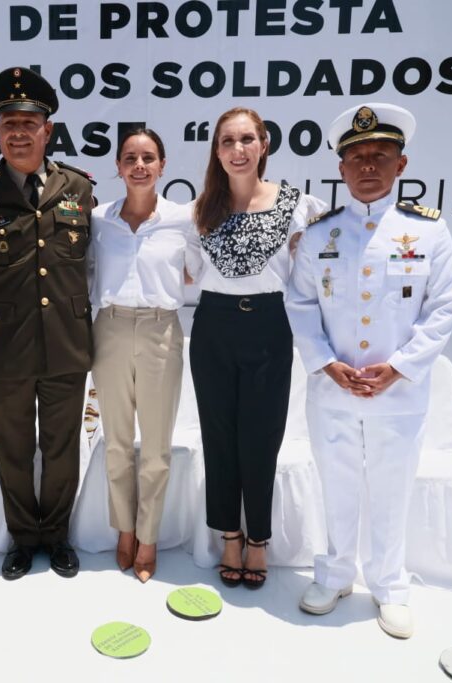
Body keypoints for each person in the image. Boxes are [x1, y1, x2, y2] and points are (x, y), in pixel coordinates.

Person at [286, 103, 452, 638]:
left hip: (397, 392)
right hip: (333, 387)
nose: (367, 166)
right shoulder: (321, 234)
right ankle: (336, 574)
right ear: (340, 169)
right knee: (336, 481)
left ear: (401, 164)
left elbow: (445, 306)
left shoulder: (427, 232)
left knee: (391, 486)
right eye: (356, 157)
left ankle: (389, 586)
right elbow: (300, 303)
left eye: (379, 156)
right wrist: (327, 365)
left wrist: (400, 367)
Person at [0, 67, 95, 580]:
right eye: (8, 123)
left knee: (61, 450)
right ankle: (21, 538)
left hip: (67, 345)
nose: (18, 132)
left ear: (47, 130)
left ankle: (54, 537)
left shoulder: (78, 187)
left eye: (28, 123)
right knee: (13, 449)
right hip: (1, 345)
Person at [190, 107, 327, 590]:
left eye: (247, 139)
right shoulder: (202, 208)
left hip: (270, 325)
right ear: (217, 151)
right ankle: (230, 534)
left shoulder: (298, 204)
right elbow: (188, 272)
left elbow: (311, 277)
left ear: (264, 145)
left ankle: (259, 540)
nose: (238, 150)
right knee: (219, 435)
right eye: (227, 141)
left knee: (262, 438)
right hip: (213, 328)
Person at [87, 129, 201, 583]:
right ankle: (125, 529)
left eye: (148, 157)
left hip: (160, 330)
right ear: (118, 166)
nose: (139, 165)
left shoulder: (183, 219)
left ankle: (149, 537)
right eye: (130, 157)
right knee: (116, 441)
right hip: (110, 328)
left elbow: (198, 270)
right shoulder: (99, 219)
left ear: (162, 165)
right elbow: (88, 271)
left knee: (155, 446)